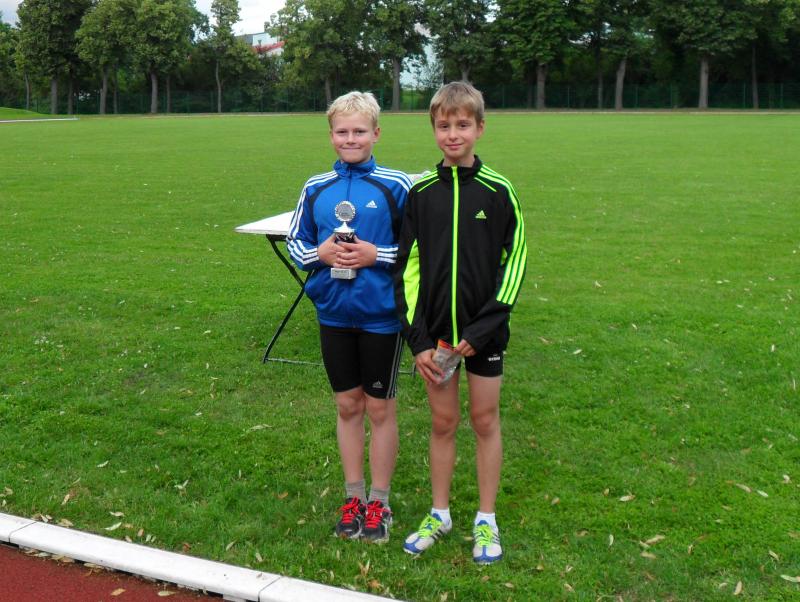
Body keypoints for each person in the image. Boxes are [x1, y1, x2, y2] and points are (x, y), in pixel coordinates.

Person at [394, 82, 527, 564]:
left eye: (463, 124)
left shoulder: (499, 190)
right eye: (444, 125)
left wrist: (482, 330)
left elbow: (515, 263)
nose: (453, 134)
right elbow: (406, 268)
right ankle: (440, 513)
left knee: (485, 420)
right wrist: (418, 341)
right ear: (433, 129)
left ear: (480, 128)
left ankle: (486, 518)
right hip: (437, 340)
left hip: (483, 337)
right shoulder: (420, 193)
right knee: (443, 422)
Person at [286, 91, 411, 544]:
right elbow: (296, 242)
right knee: (347, 405)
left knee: (379, 407)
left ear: (376, 133)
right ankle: (353, 496)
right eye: (342, 131)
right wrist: (319, 254)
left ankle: (380, 501)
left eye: (360, 131)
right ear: (331, 136)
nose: (351, 139)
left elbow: (418, 250)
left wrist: (378, 255)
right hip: (334, 314)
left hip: (382, 317)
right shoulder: (315, 187)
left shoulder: (397, 185)